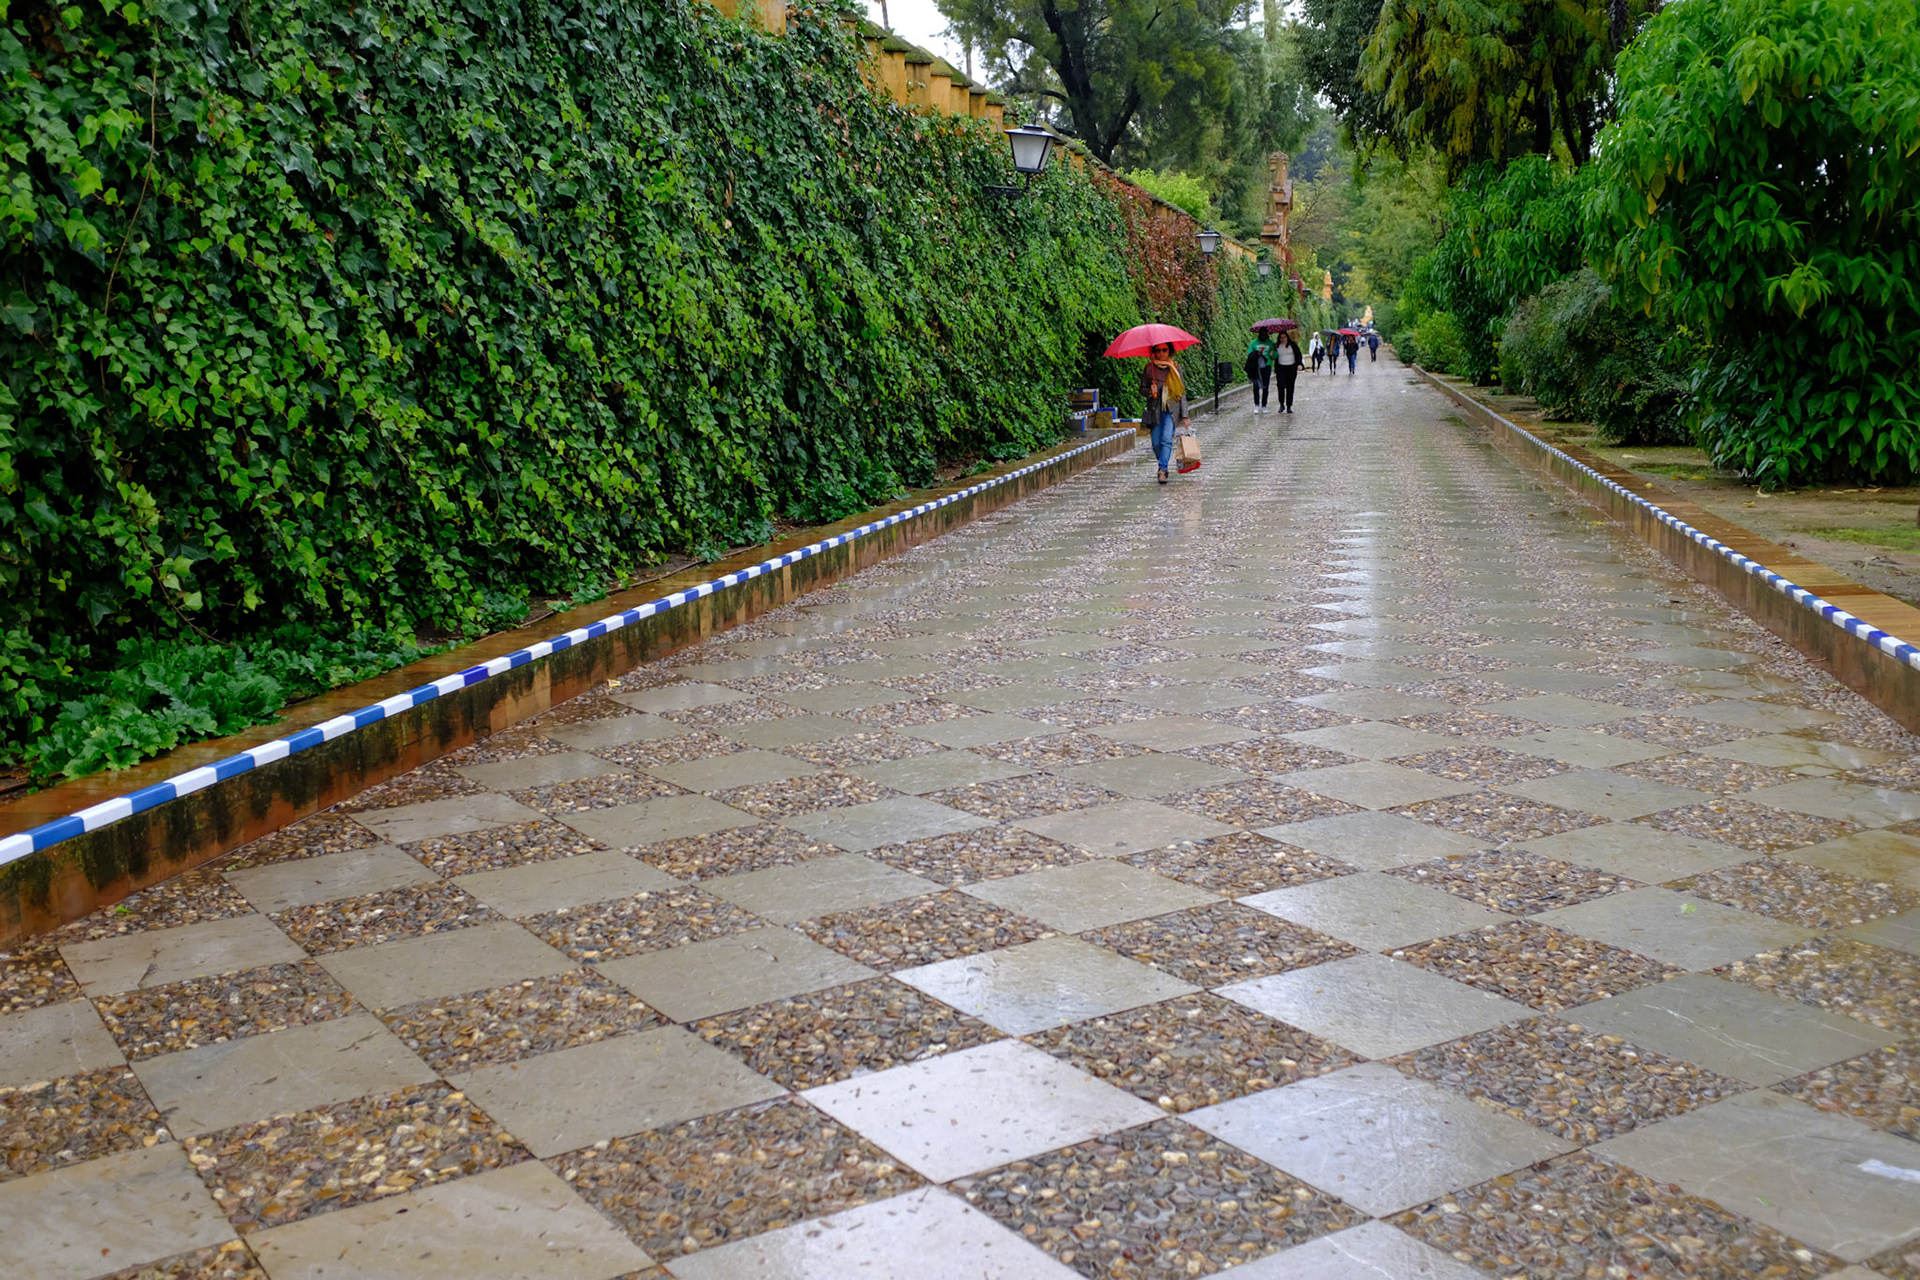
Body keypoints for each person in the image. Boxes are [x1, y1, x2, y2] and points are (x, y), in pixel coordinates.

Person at [1139, 342, 1187, 484]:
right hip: (1155, 410)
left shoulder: (1175, 368)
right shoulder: (1149, 368)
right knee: (1156, 443)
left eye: (1164, 350)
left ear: (1169, 351)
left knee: (1166, 439)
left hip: (1171, 410)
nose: (1161, 353)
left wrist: (1185, 415)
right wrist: (1150, 391)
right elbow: (1142, 388)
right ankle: (1163, 463)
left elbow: (1182, 393)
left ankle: (1162, 469)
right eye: (1158, 350)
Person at [1271, 329, 1302, 413]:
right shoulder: (1276, 346)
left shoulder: (1293, 345)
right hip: (1281, 368)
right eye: (1281, 337)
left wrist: (1299, 364)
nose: (1283, 339)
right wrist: (1272, 354)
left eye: (1284, 337)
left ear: (1287, 337)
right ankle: (1281, 404)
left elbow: (1298, 355)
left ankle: (1289, 405)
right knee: (1280, 386)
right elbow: (1273, 356)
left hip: (1291, 368)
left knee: (1290, 386)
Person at [1244, 333, 1273, 414]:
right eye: (1263, 335)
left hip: (1267, 366)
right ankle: (1256, 404)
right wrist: (1257, 353)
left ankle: (1264, 405)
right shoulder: (1254, 343)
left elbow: (1273, 354)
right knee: (1256, 386)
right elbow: (1250, 354)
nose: (1264, 337)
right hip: (1256, 367)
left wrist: (1273, 353)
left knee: (1265, 386)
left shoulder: (1270, 343)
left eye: (1265, 335)